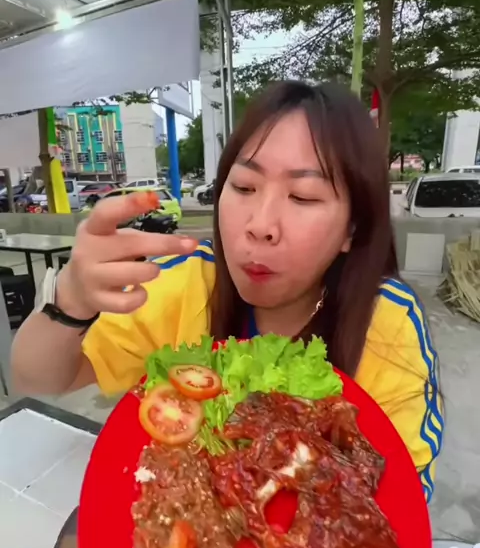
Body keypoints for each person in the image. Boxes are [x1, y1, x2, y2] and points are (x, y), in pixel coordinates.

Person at [11, 81, 443, 502]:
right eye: (244, 187)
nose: (260, 225)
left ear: (352, 228)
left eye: (303, 196)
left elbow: (402, 503)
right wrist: (71, 299)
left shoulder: (387, 324)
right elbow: (38, 378)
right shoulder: (183, 283)